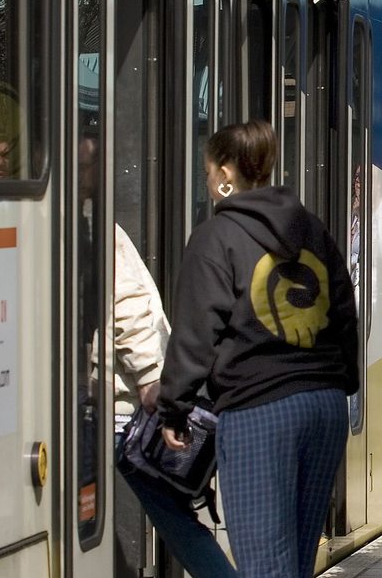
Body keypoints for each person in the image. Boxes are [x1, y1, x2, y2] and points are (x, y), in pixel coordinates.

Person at [157, 121, 360, 578]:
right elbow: (345, 311)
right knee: (296, 563)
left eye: (209, 171)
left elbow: (196, 333)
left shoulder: (215, 237)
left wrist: (175, 409)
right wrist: (343, 381)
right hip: (325, 406)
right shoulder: (311, 228)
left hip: (258, 413)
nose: (209, 181)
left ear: (225, 172)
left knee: (265, 568)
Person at [113, 225, 238, 578]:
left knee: (169, 515)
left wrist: (150, 375)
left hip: (108, 406)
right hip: (98, 402)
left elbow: (128, 306)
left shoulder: (85, 220)